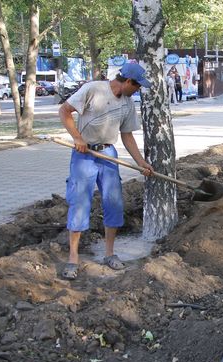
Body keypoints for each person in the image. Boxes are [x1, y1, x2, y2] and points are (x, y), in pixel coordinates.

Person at [58, 62, 154, 280]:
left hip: (108, 154)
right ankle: (73, 258)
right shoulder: (93, 89)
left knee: (114, 203)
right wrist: (77, 138)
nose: (138, 90)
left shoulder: (128, 104)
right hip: (84, 155)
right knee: (79, 202)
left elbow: (127, 135)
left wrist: (141, 162)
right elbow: (64, 110)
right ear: (128, 81)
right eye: (137, 86)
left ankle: (109, 253)